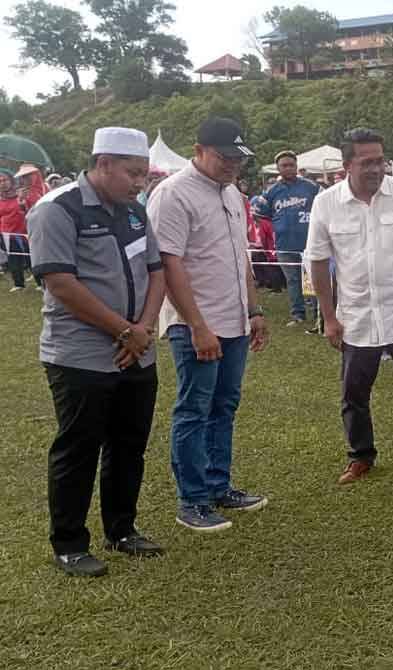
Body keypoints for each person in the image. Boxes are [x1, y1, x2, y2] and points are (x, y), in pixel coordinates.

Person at [28, 127, 166, 577]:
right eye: (132, 173)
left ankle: (121, 529)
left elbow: (156, 272)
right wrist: (125, 331)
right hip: (81, 354)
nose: (139, 183)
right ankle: (69, 543)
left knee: (130, 445)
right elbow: (61, 283)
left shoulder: (134, 213)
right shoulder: (57, 209)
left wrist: (141, 330)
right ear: (102, 163)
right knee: (79, 447)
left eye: (144, 174)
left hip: (137, 350)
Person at [304, 127, 393, 486]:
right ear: (346, 165)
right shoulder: (326, 203)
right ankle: (360, 456)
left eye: (380, 161)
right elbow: (319, 262)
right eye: (366, 162)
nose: (376, 168)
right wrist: (329, 317)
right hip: (355, 317)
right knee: (353, 394)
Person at [148, 117, 270, 532]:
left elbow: (241, 258)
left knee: (224, 405)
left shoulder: (232, 192)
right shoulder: (172, 194)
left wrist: (253, 310)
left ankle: (219, 486)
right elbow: (168, 263)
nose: (233, 164)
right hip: (196, 323)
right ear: (199, 150)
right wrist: (196, 324)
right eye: (225, 156)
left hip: (233, 318)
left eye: (239, 157)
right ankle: (193, 499)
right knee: (194, 409)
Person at [256, 150, 321, 327]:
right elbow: (263, 214)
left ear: (296, 166)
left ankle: (317, 314)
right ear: (278, 168)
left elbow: (323, 208)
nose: (288, 168)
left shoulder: (311, 187)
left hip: (308, 243)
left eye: (291, 165)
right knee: (292, 280)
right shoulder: (271, 192)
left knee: (311, 280)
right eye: (284, 165)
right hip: (285, 244)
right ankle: (298, 314)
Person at [0, 167, 37, 291]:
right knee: (13, 259)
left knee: (31, 257)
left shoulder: (21, 194)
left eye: (5, 180)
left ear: (11, 181)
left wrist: (22, 202)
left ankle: (40, 282)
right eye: (0, 181)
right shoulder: (0, 198)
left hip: (23, 232)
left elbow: (30, 211)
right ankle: (18, 284)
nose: (3, 183)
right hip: (6, 233)